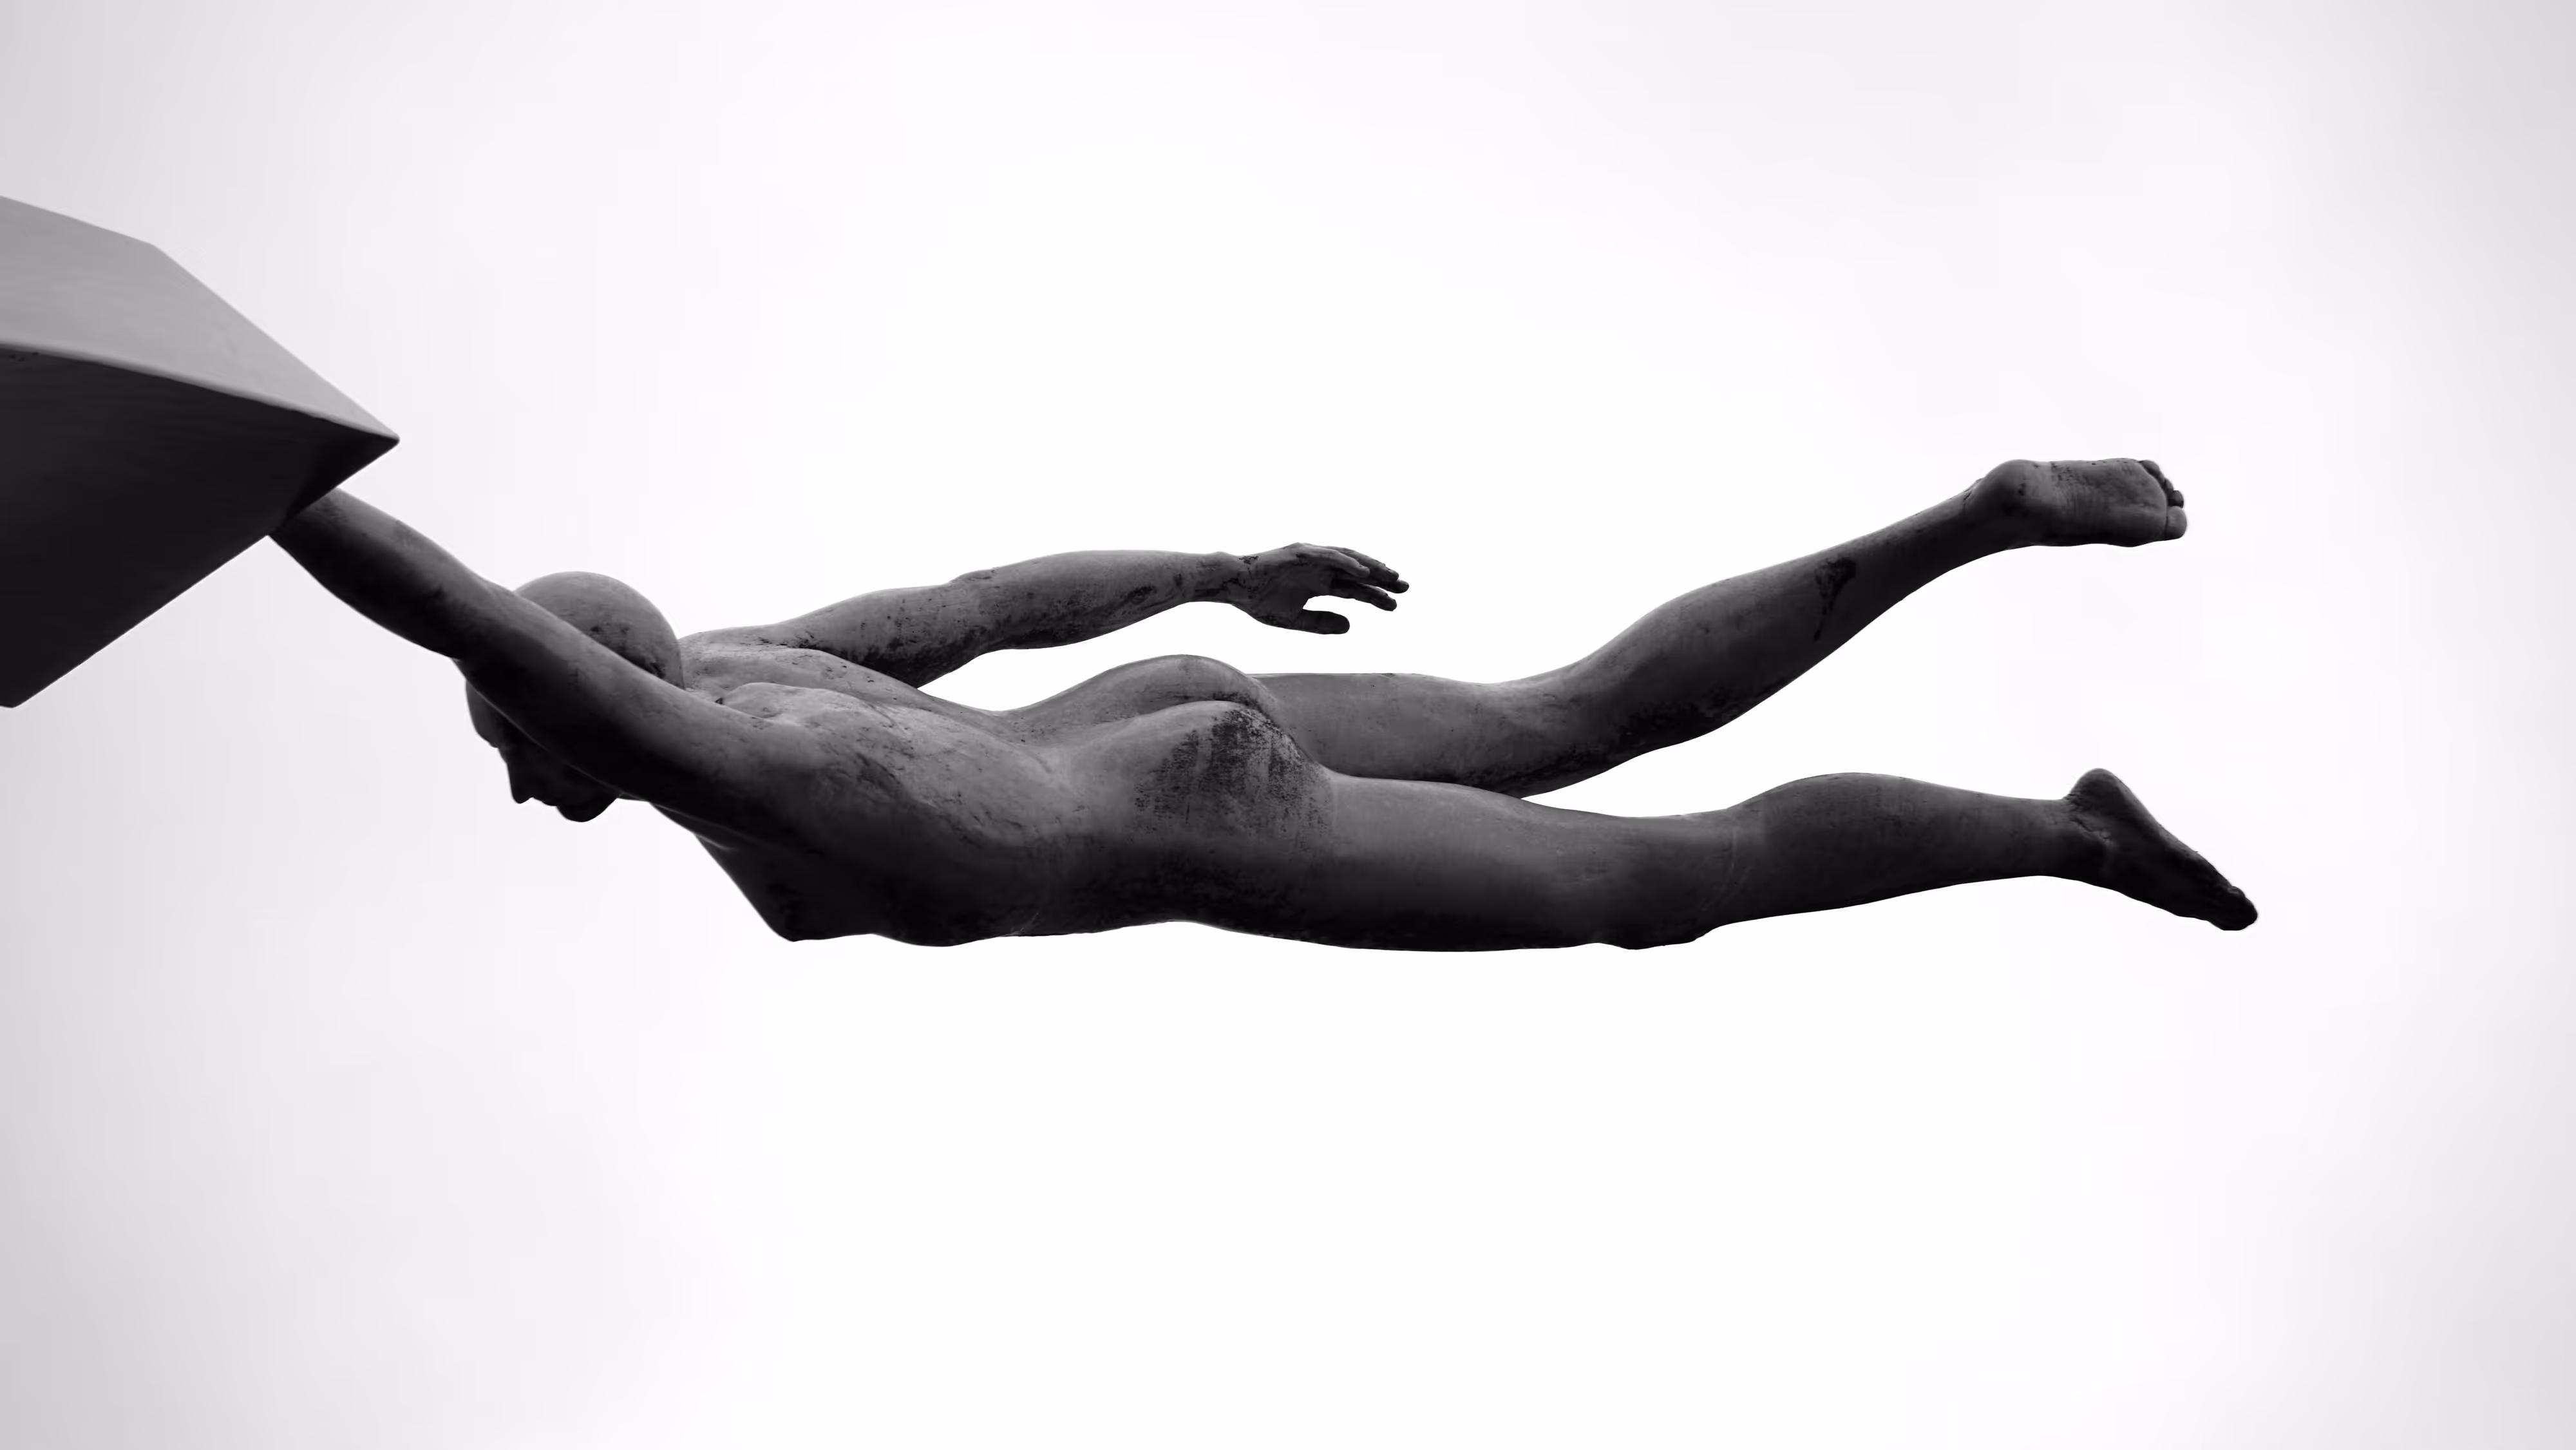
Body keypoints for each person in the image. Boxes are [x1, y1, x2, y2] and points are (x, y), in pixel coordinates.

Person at [270, 458, 2255, 949]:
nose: (524, 788)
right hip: (1153, 696)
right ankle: (1972, 522)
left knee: (1673, 874)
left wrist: (262, 486)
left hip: (1186, 815)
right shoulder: (760, 655)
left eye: (515, 747)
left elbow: (453, 607)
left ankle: (2063, 838)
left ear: (575, 702)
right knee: (1581, 707)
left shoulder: (696, 744)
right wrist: (1219, 573)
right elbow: (985, 605)